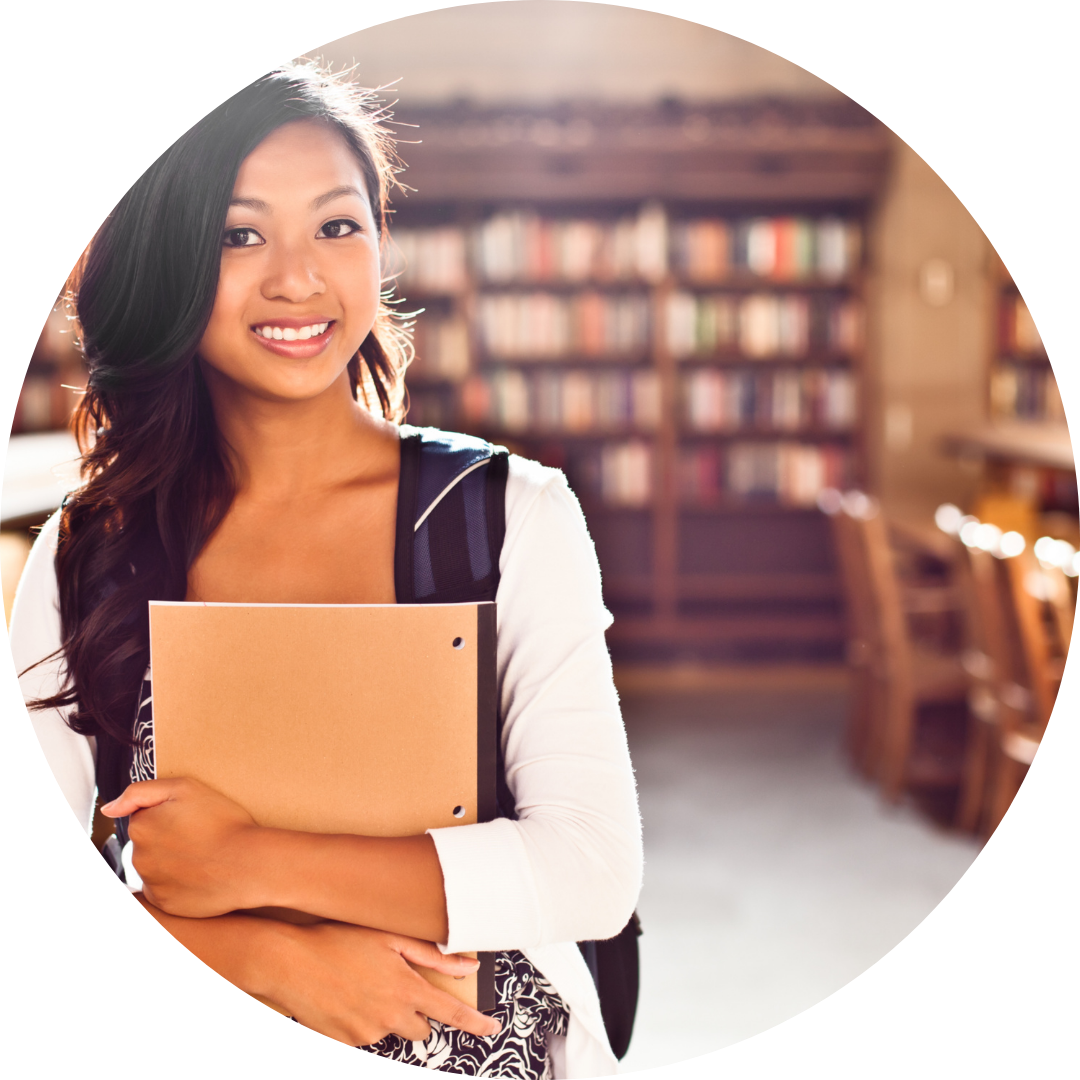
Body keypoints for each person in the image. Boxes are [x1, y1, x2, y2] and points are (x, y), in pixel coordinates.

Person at [12, 62, 642, 1078]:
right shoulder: (90, 549)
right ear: (172, 266)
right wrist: (263, 958)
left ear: (379, 244)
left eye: (337, 227)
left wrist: (243, 863)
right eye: (239, 234)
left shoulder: (508, 517)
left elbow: (592, 870)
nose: (297, 278)